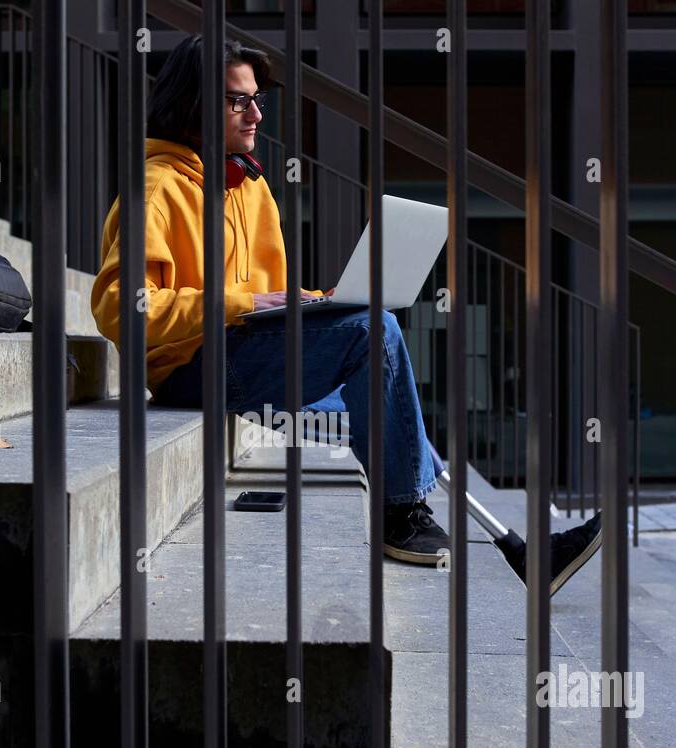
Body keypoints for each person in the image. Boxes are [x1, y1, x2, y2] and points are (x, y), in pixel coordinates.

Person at [91, 34, 602, 584]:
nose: (257, 112)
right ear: (193, 103)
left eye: (258, 98)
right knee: (373, 334)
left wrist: (317, 302)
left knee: (389, 395)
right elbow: (118, 306)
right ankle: (401, 514)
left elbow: (270, 303)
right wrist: (243, 303)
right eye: (239, 100)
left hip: (246, 353)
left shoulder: (251, 188)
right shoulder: (156, 189)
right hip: (191, 369)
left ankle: (517, 550)